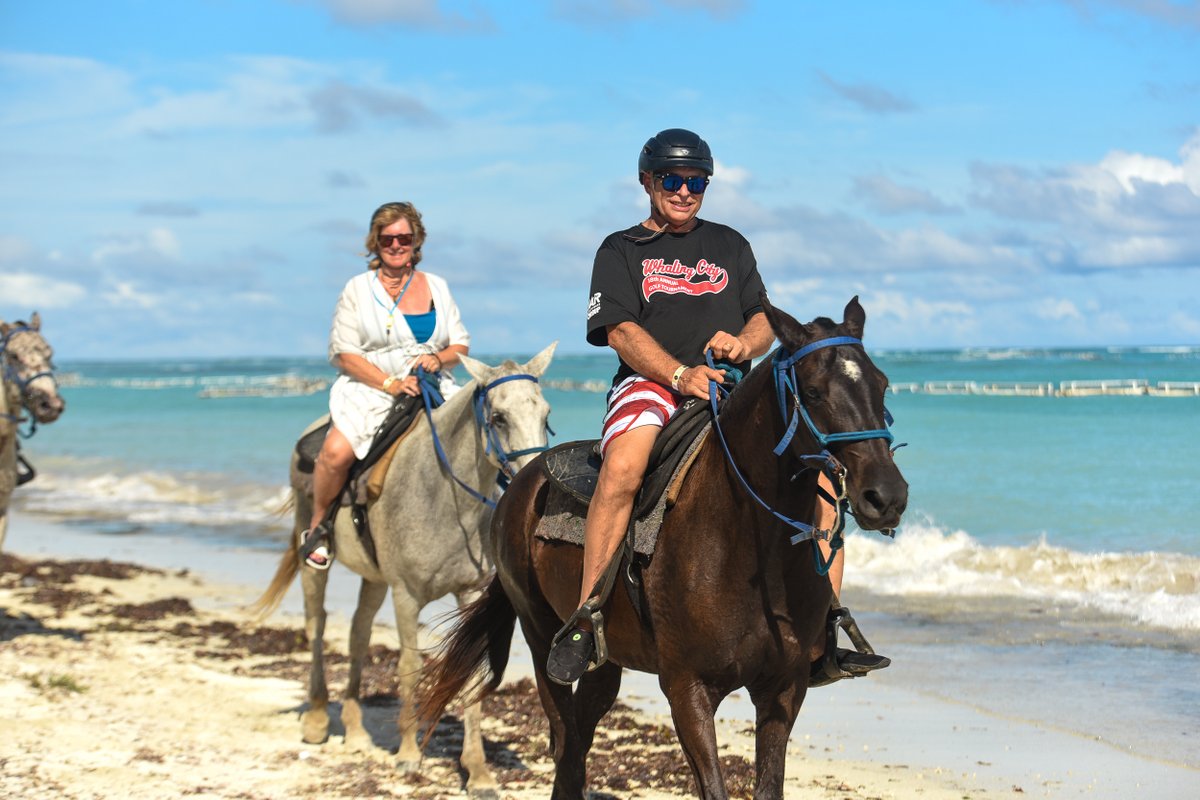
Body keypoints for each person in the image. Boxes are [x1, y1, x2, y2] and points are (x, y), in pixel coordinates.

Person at [546, 128, 888, 685]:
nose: (684, 191)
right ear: (647, 181)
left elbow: (761, 318)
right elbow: (620, 332)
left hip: (732, 390)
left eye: (696, 182)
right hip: (651, 384)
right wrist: (680, 375)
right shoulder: (620, 249)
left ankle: (824, 627)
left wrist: (744, 345)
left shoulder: (731, 245)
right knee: (624, 466)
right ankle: (587, 617)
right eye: (672, 180)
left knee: (823, 480)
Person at [301, 201, 470, 569]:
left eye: (404, 238)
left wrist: (438, 358)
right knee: (335, 453)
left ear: (417, 240)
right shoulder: (357, 289)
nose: (396, 245)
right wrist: (390, 383)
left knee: (480, 442)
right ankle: (319, 527)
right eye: (387, 238)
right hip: (371, 388)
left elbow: (460, 345)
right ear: (375, 242)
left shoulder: (437, 287)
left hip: (431, 385)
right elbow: (344, 353)